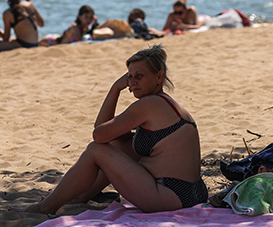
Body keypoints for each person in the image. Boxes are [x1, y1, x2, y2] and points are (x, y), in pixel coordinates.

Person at [24, 45, 207, 215]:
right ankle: (81, 197)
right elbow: (110, 135)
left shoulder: (148, 104)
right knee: (122, 143)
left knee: (96, 150)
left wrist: (115, 89)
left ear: (159, 77)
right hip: (193, 193)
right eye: (129, 77)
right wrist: (118, 88)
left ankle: (46, 207)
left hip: (170, 195)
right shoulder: (166, 103)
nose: (132, 82)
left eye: (139, 76)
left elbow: (98, 135)